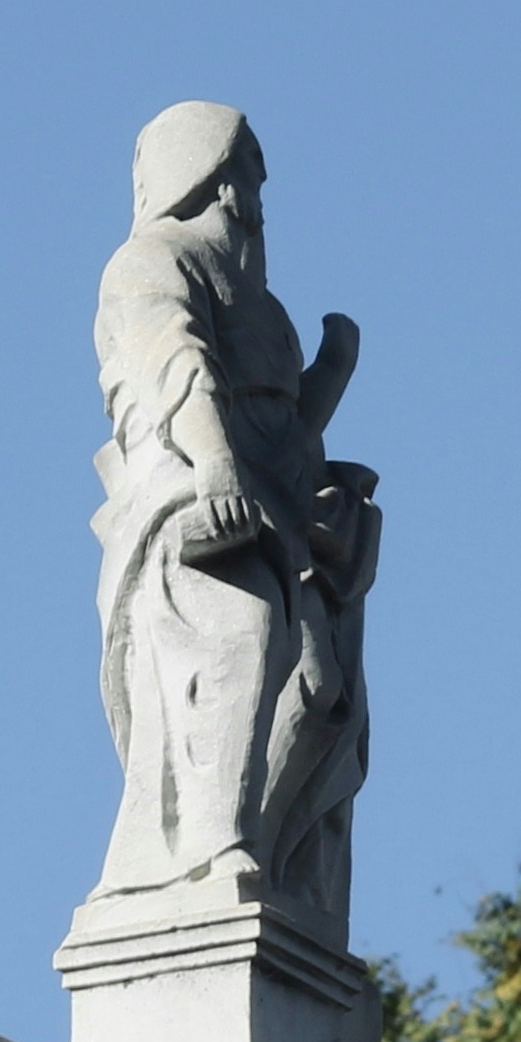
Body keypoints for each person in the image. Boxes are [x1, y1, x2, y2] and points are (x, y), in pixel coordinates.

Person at [87, 104, 374, 915]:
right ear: (210, 177)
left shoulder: (265, 304)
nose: (258, 194)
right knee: (243, 633)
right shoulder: (150, 260)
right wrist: (215, 466)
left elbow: (283, 425)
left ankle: (260, 851)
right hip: (188, 493)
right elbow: (175, 368)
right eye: (248, 173)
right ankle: (208, 848)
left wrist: (331, 372)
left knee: (324, 697)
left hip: (275, 502)